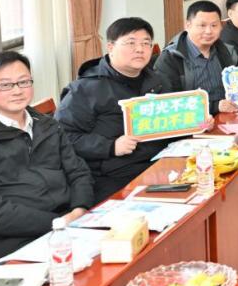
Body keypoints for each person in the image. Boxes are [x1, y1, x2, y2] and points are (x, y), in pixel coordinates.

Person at [0, 52, 94, 263]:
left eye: (24, 82)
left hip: (69, 223)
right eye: (5, 85)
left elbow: (78, 171)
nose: (17, 90)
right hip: (13, 240)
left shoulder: (47, 124)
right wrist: (58, 222)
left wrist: (79, 208)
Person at [56, 17, 170, 203]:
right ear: (110, 47)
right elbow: (63, 137)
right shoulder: (85, 90)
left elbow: (173, 122)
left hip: (157, 163)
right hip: (112, 175)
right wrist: (110, 146)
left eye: (146, 43)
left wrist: (196, 122)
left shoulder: (157, 80)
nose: (140, 49)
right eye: (131, 43)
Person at [154, 1, 238, 115]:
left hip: (228, 116)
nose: (208, 31)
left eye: (214, 25)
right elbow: (170, 103)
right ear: (187, 25)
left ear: (221, 26)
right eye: (202, 25)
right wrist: (215, 106)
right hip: (192, 120)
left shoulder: (226, 50)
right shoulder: (170, 58)